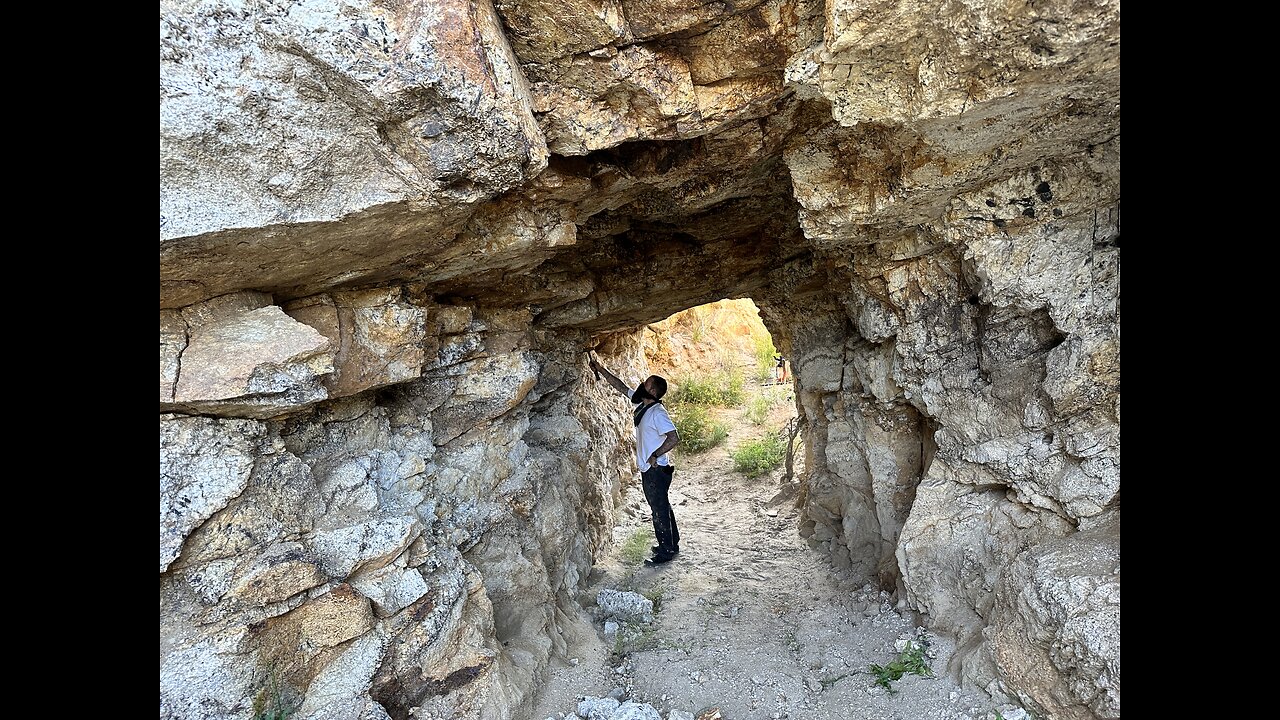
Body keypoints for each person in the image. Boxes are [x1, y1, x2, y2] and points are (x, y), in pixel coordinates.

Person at [588, 353, 682, 565]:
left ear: (653, 391)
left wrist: (655, 455)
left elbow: (674, 437)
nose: (641, 384)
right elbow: (621, 387)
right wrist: (600, 369)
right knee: (662, 506)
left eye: (646, 384)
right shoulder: (643, 406)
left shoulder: (657, 412)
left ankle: (666, 551)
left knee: (658, 509)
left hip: (656, 470)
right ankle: (672, 543)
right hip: (652, 469)